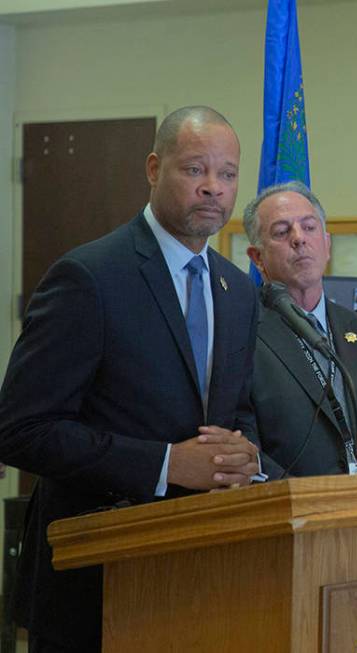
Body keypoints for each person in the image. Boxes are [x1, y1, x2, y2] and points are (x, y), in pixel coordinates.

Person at [0, 106, 261, 653]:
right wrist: (165, 464)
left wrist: (245, 455)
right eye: (195, 170)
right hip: (94, 585)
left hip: (202, 582)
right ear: (152, 168)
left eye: (228, 173)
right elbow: (21, 428)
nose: (214, 188)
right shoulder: (89, 276)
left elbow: (234, 413)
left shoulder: (238, 290)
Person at [243, 181, 357, 476]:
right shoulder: (242, 335)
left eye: (309, 228)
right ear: (258, 258)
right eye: (282, 232)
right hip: (291, 512)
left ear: (327, 245)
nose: (299, 239)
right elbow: (246, 448)